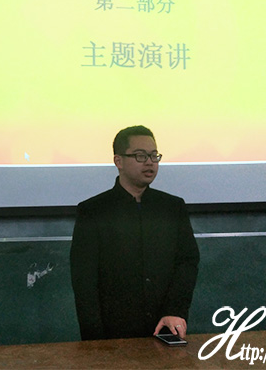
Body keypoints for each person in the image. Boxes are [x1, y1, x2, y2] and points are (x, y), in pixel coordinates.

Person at [70, 125, 199, 341]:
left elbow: (187, 262)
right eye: (140, 156)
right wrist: (94, 341)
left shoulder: (172, 207)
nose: (149, 162)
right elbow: (84, 281)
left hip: (165, 327)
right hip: (111, 336)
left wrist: (175, 310)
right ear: (118, 161)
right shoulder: (93, 211)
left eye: (154, 156)